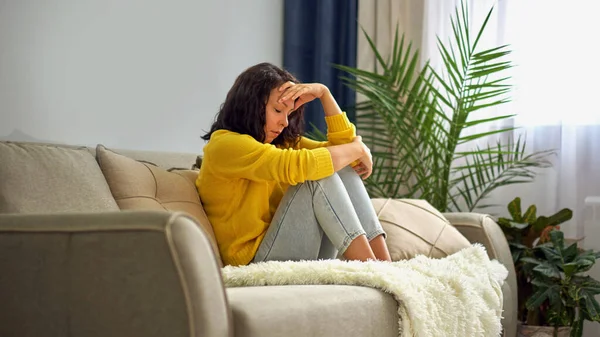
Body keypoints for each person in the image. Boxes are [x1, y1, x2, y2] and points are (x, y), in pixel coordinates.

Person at [197, 62, 392, 266]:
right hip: (253, 261)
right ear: (251, 104)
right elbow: (307, 165)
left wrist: (324, 95)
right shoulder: (225, 145)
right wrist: (359, 148)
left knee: (336, 164)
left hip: (292, 246)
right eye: (278, 110)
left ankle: (386, 266)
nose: (285, 122)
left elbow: (344, 156)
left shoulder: (278, 144)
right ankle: (373, 269)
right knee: (316, 175)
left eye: (288, 114)